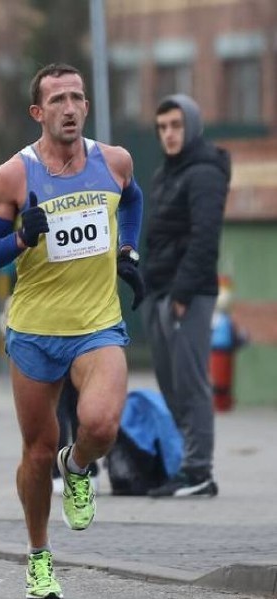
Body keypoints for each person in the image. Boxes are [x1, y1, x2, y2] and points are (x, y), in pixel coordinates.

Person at [0, 63, 145, 599]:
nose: (68, 108)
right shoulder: (13, 176)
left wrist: (128, 249)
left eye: (77, 98)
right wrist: (20, 240)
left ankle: (79, 466)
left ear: (86, 107)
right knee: (37, 451)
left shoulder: (114, 161)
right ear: (38, 112)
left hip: (97, 324)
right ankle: (38, 554)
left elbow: (133, 199)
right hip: (33, 331)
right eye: (57, 100)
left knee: (101, 424)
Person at [142, 94, 230, 498]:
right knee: (170, 384)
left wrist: (181, 293)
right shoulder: (167, 173)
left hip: (187, 294)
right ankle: (185, 465)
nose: (169, 134)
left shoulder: (204, 173)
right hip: (161, 291)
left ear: (191, 126)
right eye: (162, 128)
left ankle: (199, 472)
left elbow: (205, 239)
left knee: (192, 384)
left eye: (176, 125)